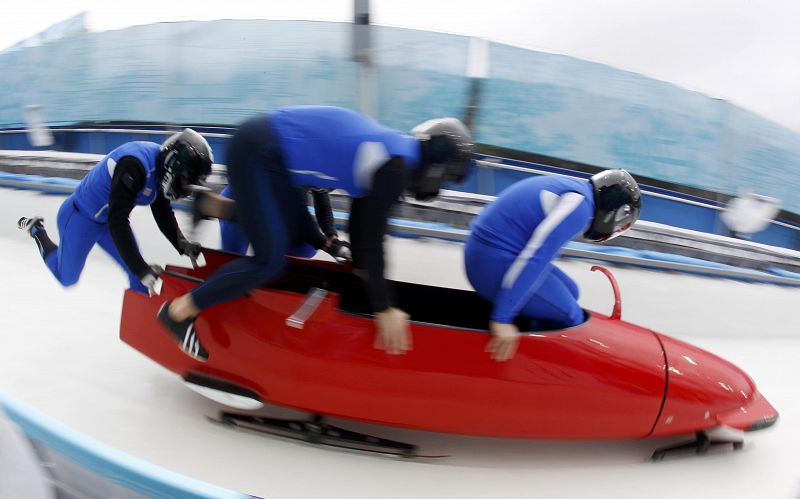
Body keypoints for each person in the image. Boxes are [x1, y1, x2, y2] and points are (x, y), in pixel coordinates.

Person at [157, 105, 474, 362]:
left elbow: (363, 231)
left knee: (294, 237)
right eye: (446, 179)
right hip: (263, 152)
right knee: (269, 260)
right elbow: (372, 241)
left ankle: (214, 207)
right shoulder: (395, 166)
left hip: (275, 158)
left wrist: (359, 271)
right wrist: (384, 307)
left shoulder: (395, 155)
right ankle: (180, 313)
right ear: (437, 168)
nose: (440, 186)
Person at [464, 170, 641, 362]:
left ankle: (526, 342)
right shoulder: (580, 208)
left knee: (572, 292)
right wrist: (502, 319)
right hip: (489, 261)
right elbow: (536, 256)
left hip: (487, 252)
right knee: (570, 316)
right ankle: (529, 363)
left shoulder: (578, 192)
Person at [17, 129, 213, 294]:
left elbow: (162, 211)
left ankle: (143, 328)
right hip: (80, 217)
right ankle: (37, 231)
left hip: (107, 221)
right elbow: (118, 220)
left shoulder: (161, 169)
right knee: (67, 278)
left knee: (139, 275)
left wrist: (182, 245)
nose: (185, 187)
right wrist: (140, 268)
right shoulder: (134, 166)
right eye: (187, 180)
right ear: (174, 164)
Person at [219, 185, 351, 261]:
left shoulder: (318, 167)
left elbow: (322, 204)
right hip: (240, 202)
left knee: (306, 250)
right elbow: (299, 219)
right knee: (232, 261)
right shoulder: (299, 161)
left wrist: (332, 236)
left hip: (276, 203)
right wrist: (331, 248)